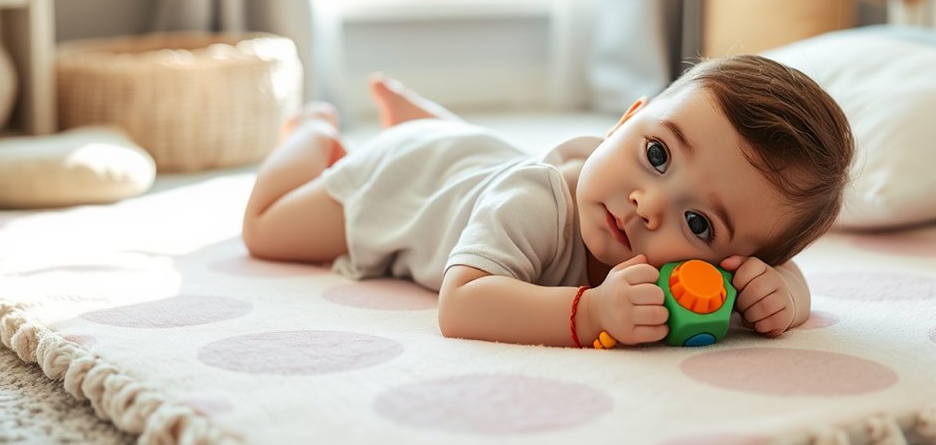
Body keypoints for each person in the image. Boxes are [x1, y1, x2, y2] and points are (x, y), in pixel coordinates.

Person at [241, 54, 854, 348]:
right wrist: (590, 313)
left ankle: (424, 117)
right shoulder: (534, 203)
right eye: (658, 154)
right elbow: (462, 305)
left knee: (486, 154)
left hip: (477, 161)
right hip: (406, 182)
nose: (646, 203)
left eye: (698, 222)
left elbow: (771, 265)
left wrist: (786, 296)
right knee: (264, 230)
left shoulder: (722, 252)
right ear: (625, 121)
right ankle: (315, 131)